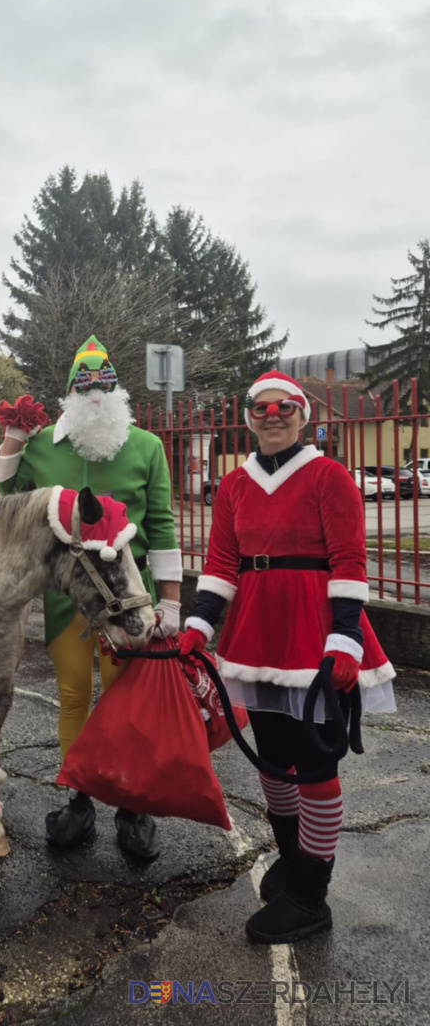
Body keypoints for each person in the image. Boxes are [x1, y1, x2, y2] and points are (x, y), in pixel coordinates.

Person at [180, 370, 396, 944]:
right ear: (248, 417)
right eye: (261, 408)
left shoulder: (329, 475)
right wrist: (200, 624)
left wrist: (345, 639)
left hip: (314, 631)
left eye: (285, 407)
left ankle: (310, 896)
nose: (273, 416)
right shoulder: (234, 484)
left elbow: (349, 559)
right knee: (272, 757)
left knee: (314, 763)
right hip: (255, 631)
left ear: (304, 415)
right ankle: (293, 858)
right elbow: (222, 562)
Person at [0, 336, 182, 859]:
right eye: (84, 381)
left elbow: (162, 526)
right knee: (74, 696)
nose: (95, 390)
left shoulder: (146, 446)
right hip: (68, 601)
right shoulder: (44, 446)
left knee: (126, 703)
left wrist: (171, 603)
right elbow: (8, 502)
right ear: (70, 390)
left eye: (104, 381)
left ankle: (131, 805)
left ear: (117, 388)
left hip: (129, 601)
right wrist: (13, 442)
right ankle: (78, 799)